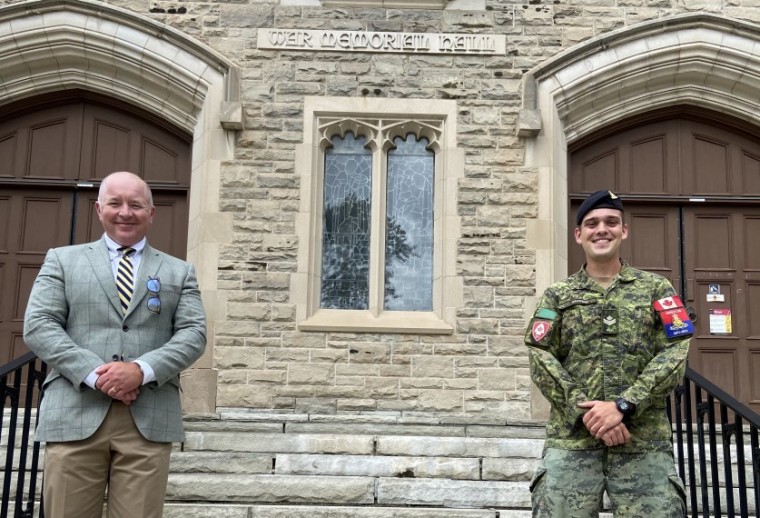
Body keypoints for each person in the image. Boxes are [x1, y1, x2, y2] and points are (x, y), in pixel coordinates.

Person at [24, 171, 207, 518]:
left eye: (136, 205)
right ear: (99, 209)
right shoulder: (62, 260)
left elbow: (193, 334)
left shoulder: (179, 272)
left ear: (151, 213)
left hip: (148, 416)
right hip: (75, 412)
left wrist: (140, 370)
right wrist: (97, 374)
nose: (126, 212)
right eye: (115, 203)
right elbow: (39, 325)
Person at [524, 190, 692, 517]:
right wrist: (588, 411)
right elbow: (539, 352)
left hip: (643, 444)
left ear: (624, 231)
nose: (602, 229)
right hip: (571, 444)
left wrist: (624, 405)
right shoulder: (558, 295)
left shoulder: (657, 290)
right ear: (578, 235)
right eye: (592, 223)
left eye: (611, 222)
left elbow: (676, 349)